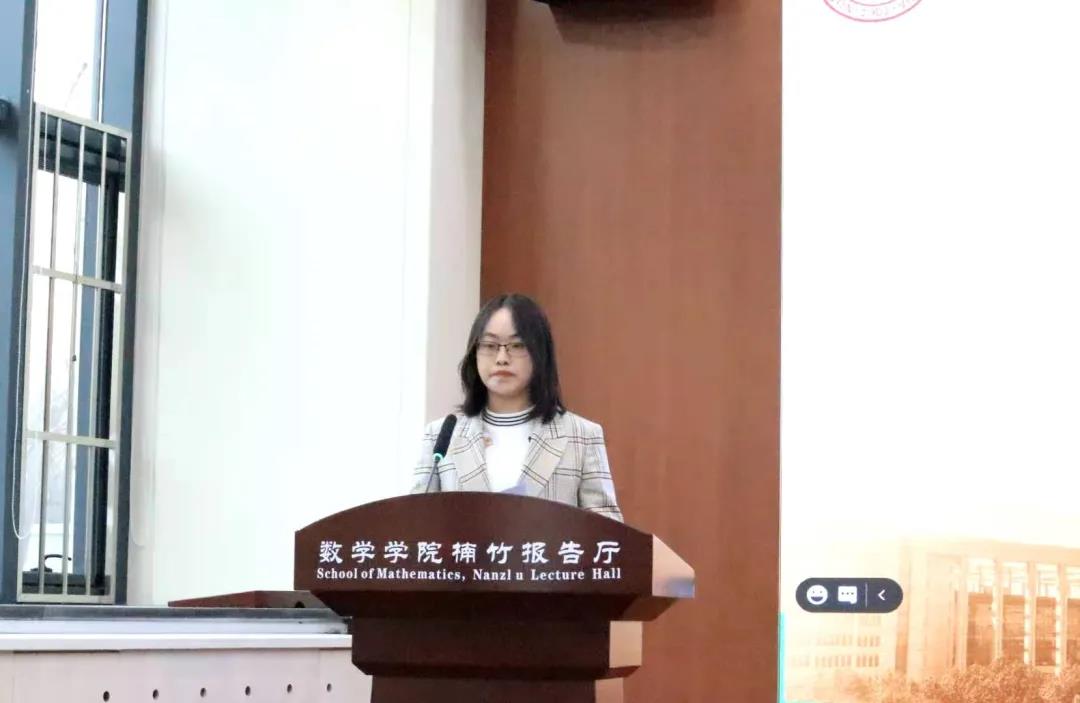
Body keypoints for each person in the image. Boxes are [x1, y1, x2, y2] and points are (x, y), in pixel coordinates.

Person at [410, 293, 623, 522]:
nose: (502, 358)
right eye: (490, 345)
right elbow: (415, 525)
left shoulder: (582, 436)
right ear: (474, 353)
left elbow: (608, 534)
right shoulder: (441, 436)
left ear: (539, 353)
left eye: (517, 345)